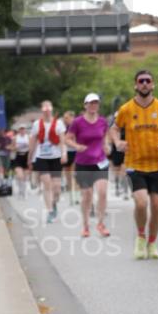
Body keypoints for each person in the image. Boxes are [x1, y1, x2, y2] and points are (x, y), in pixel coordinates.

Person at [110, 70, 158, 259]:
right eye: (141, 81)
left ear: (153, 84)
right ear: (135, 85)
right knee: (141, 203)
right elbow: (114, 129)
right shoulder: (126, 109)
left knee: (157, 206)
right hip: (135, 164)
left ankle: (152, 243)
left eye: (148, 81)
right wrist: (117, 143)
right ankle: (140, 237)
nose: (144, 84)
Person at [66, 94, 112, 238]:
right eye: (90, 103)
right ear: (85, 105)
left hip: (100, 162)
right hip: (83, 163)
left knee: (102, 192)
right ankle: (85, 225)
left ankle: (101, 223)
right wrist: (76, 146)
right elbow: (67, 139)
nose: (93, 106)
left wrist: (107, 146)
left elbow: (105, 137)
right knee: (87, 195)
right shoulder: (77, 122)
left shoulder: (103, 121)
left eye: (96, 103)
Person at [28, 102, 67, 222]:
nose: (47, 112)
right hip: (42, 157)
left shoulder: (59, 123)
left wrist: (64, 153)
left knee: (56, 188)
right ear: (42, 111)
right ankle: (50, 211)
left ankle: (54, 204)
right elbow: (33, 142)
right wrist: (30, 158)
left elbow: (62, 142)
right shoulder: (36, 124)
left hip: (55, 158)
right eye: (44, 110)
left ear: (51, 110)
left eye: (49, 109)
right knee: (46, 184)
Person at [61, 110, 78, 204]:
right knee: (68, 175)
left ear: (72, 117)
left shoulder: (77, 126)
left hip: (76, 152)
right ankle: (71, 194)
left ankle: (76, 195)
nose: (65, 119)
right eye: (64, 118)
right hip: (67, 152)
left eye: (67, 118)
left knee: (74, 174)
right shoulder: (64, 128)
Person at [11, 124, 30, 197]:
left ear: (25, 130)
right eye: (21, 129)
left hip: (26, 156)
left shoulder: (28, 137)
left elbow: (31, 147)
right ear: (19, 130)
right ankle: (20, 189)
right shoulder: (15, 138)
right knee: (20, 175)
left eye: (23, 129)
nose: (22, 130)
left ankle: (24, 190)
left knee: (25, 176)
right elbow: (11, 148)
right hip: (18, 156)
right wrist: (15, 147)